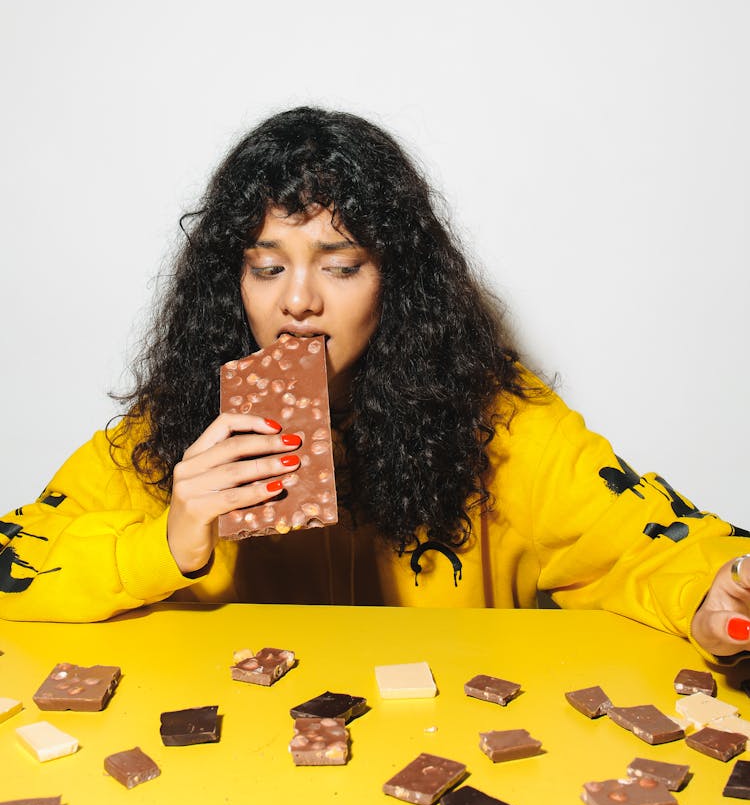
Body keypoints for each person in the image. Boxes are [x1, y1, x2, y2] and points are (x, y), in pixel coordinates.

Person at [1, 106, 749, 663]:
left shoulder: (499, 422)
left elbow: (645, 536)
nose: (297, 299)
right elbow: (16, 560)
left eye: (340, 264)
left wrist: (712, 590)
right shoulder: (179, 425)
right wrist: (169, 541)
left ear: (396, 279)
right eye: (267, 267)